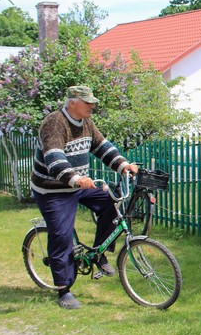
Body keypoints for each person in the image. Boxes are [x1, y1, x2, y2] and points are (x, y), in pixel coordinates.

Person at [31, 85, 138, 310]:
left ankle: (99, 254)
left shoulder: (87, 123)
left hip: (78, 184)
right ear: (72, 102)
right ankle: (64, 289)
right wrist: (73, 178)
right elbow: (54, 159)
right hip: (52, 190)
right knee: (61, 236)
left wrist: (123, 165)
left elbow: (102, 147)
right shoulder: (54, 123)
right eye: (87, 102)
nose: (92, 105)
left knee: (111, 203)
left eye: (92, 102)